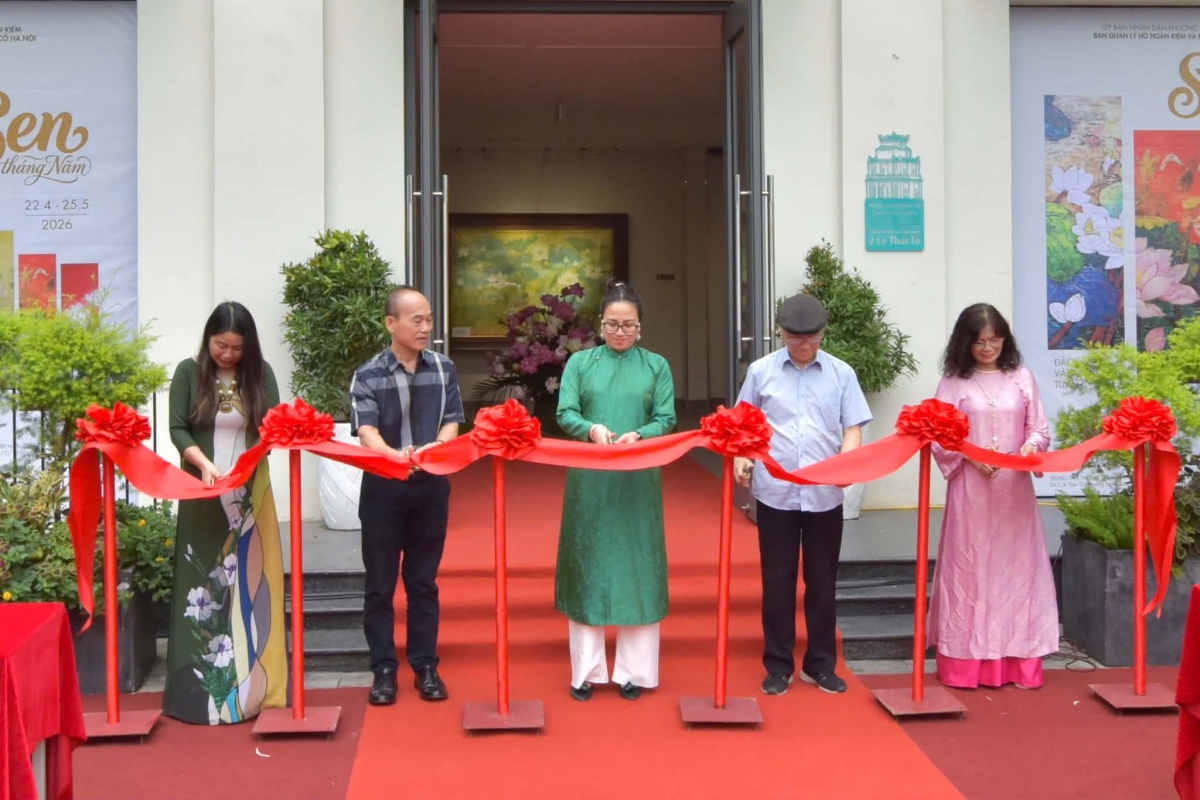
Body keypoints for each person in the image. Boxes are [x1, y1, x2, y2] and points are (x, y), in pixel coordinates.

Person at [734, 293, 871, 696]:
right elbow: (744, 423)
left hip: (824, 494)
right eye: (795, 339)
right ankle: (778, 664)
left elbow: (853, 427)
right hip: (775, 492)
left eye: (811, 338)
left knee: (822, 580)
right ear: (781, 333)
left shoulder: (841, 374)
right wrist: (743, 457)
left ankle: (820, 664)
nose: (804, 346)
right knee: (777, 581)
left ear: (823, 334)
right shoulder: (761, 372)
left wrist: (848, 464)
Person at [165, 302, 287, 725]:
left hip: (250, 489)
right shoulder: (188, 372)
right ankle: (198, 697)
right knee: (202, 582)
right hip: (203, 490)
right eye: (221, 345)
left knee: (252, 582)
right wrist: (203, 465)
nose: (228, 354)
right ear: (208, 340)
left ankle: (253, 692)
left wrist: (246, 469)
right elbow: (178, 427)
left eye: (236, 347)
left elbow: (272, 428)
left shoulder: (261, 375)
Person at [555, 281, 676, 701]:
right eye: (612, 325)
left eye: (629, 325)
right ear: (600, 325)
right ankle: (585, 671)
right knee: (587, 564)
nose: (620, 332)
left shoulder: (656, 366)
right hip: (590, 477)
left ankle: (635, 672)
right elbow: (565, 412)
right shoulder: (580, 364)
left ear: (641, 327)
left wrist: (640, 435)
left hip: (638, 477)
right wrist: (591, 429)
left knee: (636, 568)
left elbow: (666, 416)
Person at [929, 303, 1057, 689]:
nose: (988, 348)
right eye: (980, 342)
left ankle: (1018, 658)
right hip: (971, 490)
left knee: (1016, 571)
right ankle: (966, 661)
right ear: (965, 343)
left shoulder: (1022, 377)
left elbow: (1040, 429)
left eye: (995, 340)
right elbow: (940, 432)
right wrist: (969, 454)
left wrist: (1025, 451)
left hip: (1014, 490)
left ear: (1005, 340)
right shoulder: (953, 382)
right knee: (970, 569)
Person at [350, 286, 465, 705]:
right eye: (416, 320)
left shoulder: (443, 368)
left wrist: (431, 452)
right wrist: (395, 457)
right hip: (384, 487)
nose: (426, 327)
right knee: (380, 585)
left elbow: (453, 422)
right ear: (390, 323)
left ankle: (426, 665)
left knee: (423, 581)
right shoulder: (367, 374)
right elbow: (366, 432)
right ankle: (383, 670)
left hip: (431, 484)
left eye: (429, 319)